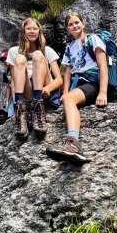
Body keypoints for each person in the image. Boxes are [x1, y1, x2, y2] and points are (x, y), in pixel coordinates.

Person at [46, 11, 107, 163]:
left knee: (70, 99)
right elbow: (67, 73)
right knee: (68, 99)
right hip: (78, 85)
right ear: (67, 29)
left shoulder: (94, 39)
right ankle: (72, 143)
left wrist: (103, 92)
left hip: (92, 82)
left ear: (83, 23)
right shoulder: (69, 47)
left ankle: (73, 143)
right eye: (70, 24)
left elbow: (103, 66)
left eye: (76, 22)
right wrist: (64, 94)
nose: (74, 26)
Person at [7, 17, 62, 138]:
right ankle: (20, 112)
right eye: (28, 29)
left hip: (44, 89)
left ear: (39, 31)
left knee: (38, 54)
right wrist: (14, 101)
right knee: (20, 58)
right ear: (23, 31)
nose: (32, 31)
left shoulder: (47, 50)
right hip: (26, 92)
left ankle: (38, 109)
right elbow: (13, 81)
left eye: (35, 29)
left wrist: (48, 88)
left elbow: (59, 79)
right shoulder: (13, 51)